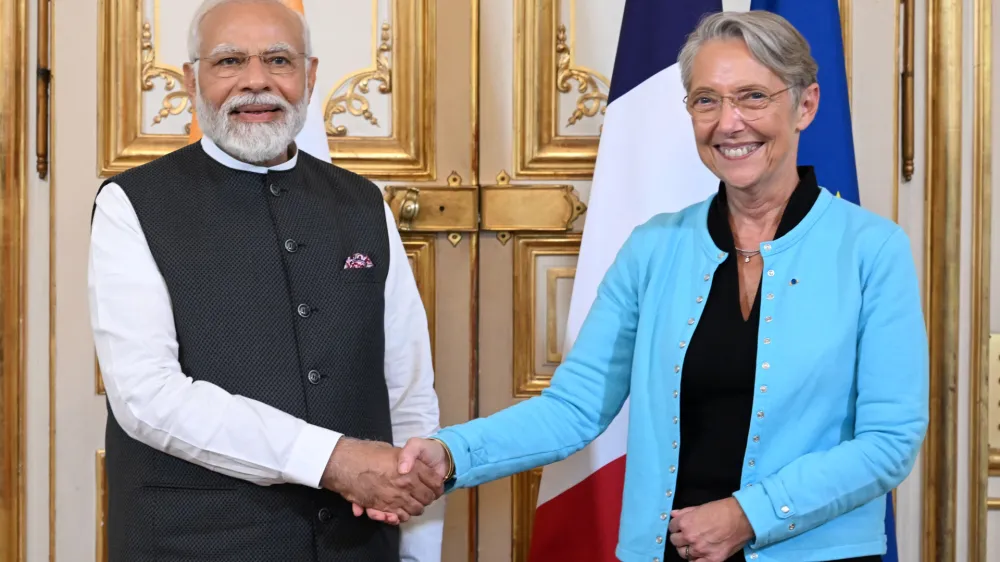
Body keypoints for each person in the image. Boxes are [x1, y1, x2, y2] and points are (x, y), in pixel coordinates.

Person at [361, 10, 929, 562]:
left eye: (753, 96)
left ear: (805, 105)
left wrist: (748, 515)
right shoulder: (653, 248)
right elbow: (574, 408)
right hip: (668, 552)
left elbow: (890, 440)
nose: (729, 122)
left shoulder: (873, 249)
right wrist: (451, 454)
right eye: (706, 100)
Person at [88, 0, 444, 560]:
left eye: (279, 60)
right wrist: (333, 460)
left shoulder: (363, 203)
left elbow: (407, 388)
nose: (256, 81)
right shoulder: (130, 204)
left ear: (310, 75)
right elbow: (147, 396)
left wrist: (417, 547)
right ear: (192, 79)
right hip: (195, 544)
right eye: (229, 61)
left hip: (359, 545)